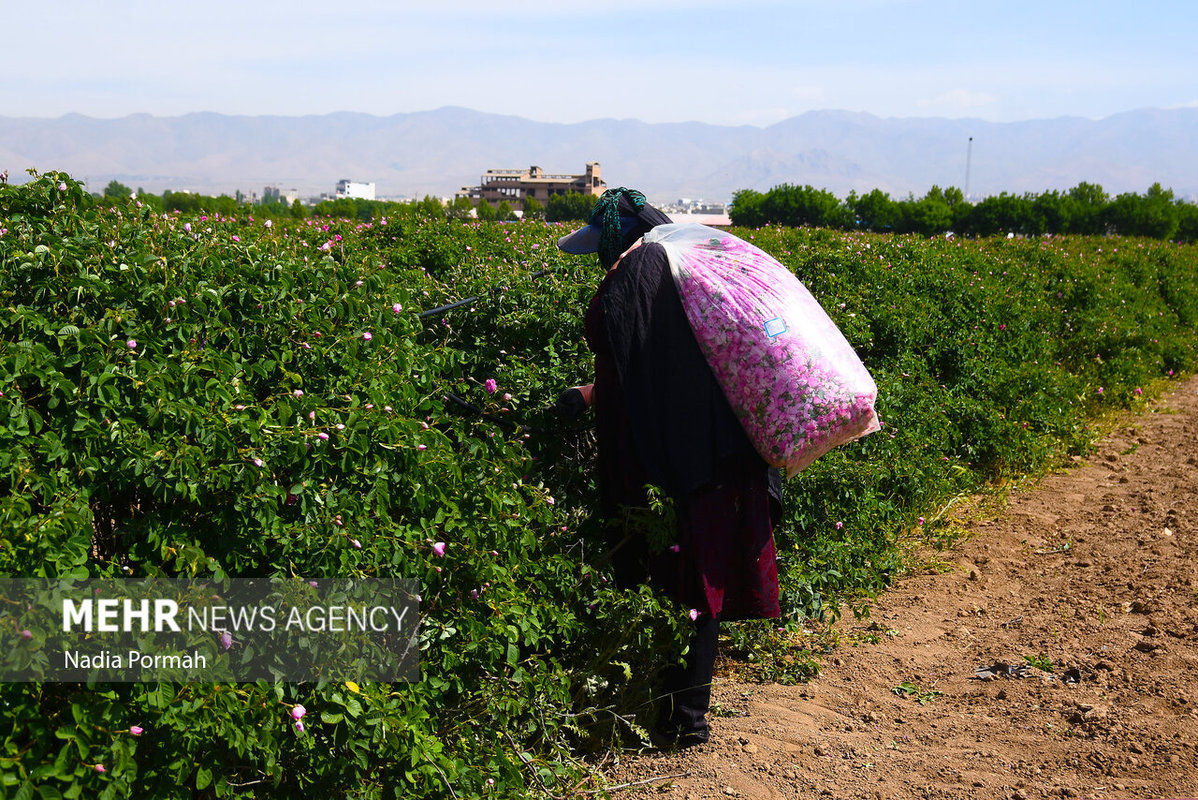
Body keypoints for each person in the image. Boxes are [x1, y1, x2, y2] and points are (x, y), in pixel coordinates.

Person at [553, 187, 783, 749]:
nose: (599, 261)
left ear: (620, 238)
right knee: (696, 574)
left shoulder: (638, 277)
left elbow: (636, 370)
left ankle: (686, 719)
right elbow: (656, 366)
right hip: (713, 449)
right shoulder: (673, 267)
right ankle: (679, 713)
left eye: (603, 248)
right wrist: (590, 392)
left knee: (688, 577)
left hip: (686, 456)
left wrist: (594, 394)